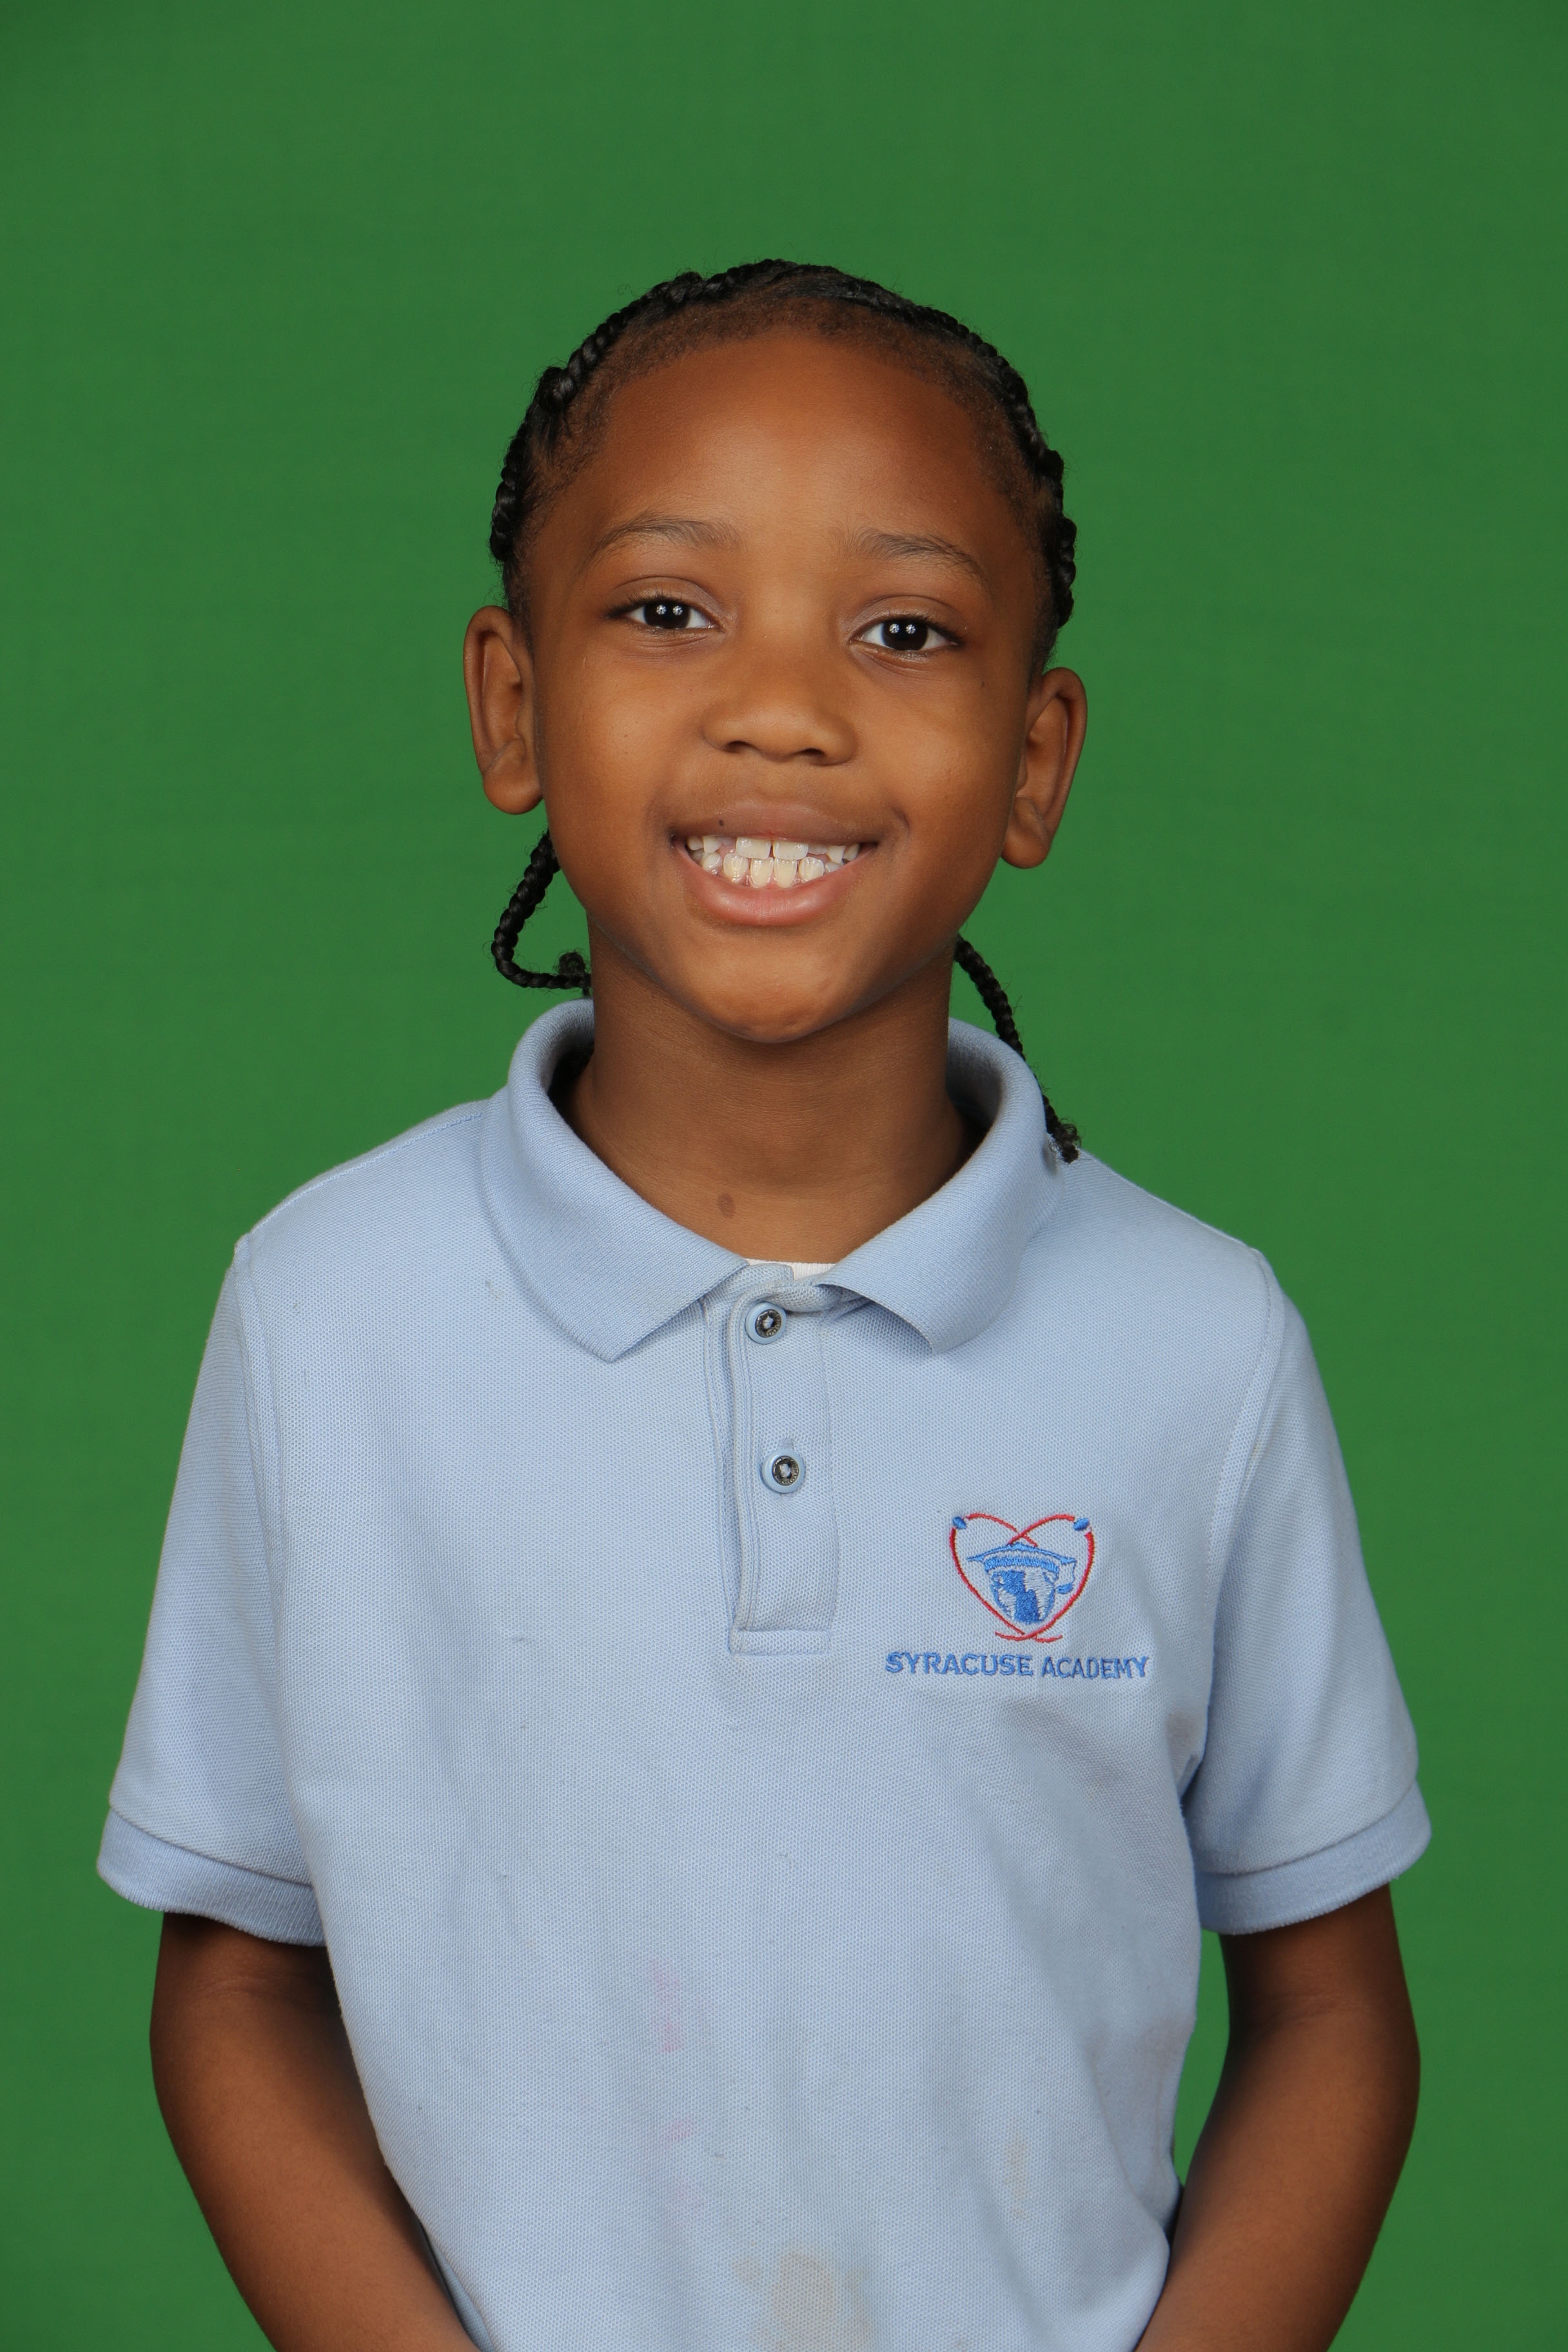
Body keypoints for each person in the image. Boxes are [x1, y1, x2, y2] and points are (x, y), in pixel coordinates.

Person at [99, 260, 1427, 2352]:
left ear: (1037, 761)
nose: (784, 708)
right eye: (667, 608)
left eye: (904, 631)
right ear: (512, 707)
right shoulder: (326, 1311)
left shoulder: (1204, 1347)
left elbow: (1335, 2009)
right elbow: (240, 1982)